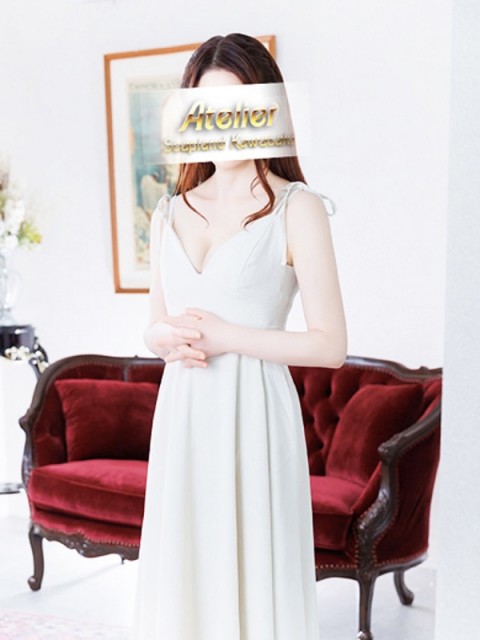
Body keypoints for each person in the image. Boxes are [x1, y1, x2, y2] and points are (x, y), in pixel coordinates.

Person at [131, 33, 347, 640]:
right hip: (183, 412)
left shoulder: (297, 207)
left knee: (253, 580)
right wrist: (162, 336)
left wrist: (229, 335)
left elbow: (329, 344)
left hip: (254, 414)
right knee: (184, 579)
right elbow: (153, 325)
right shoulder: (169, 210)